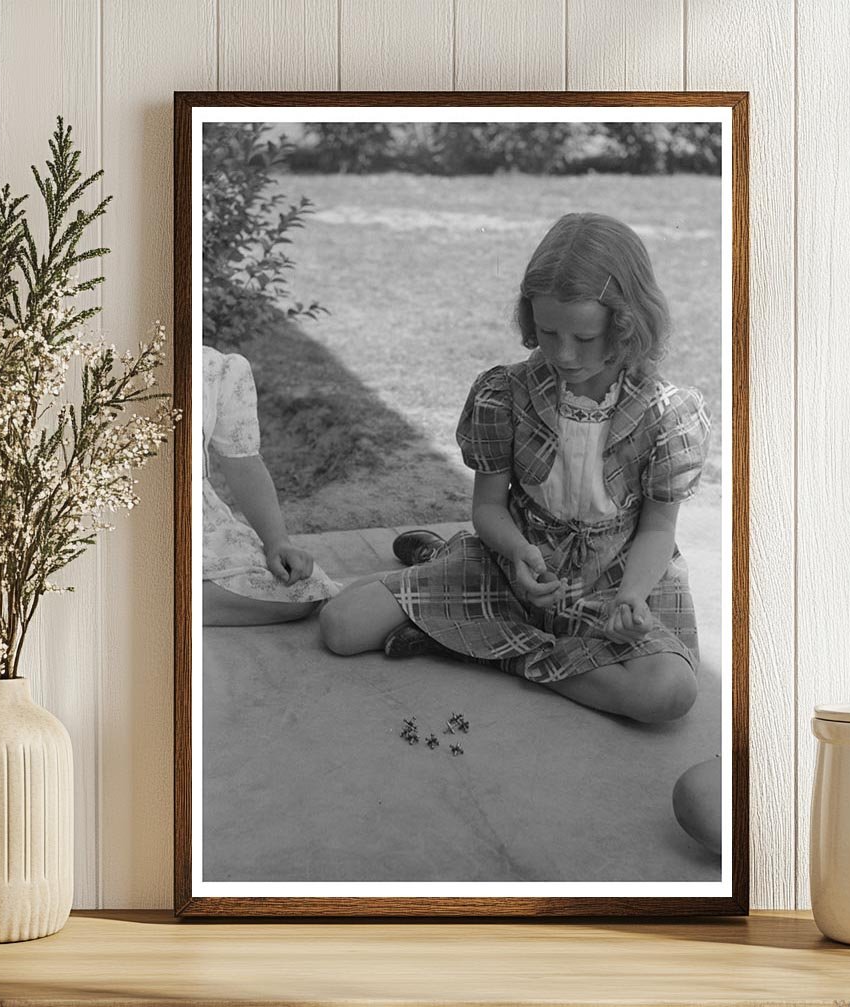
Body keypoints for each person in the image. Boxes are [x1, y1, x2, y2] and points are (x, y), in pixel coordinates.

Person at [319, 212, 710, 723]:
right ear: (530, 318)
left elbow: (659, 529)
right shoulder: (504, 393)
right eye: (548, 332)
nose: (564, 354)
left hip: (618, 580)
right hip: (512, 568)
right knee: (341, 625)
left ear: (627, 323)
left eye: (585, 338)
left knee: (668, 695)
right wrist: (519, 551)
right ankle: (463, 598)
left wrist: (631, 599)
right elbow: (487, 507)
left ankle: (476, 646)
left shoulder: (668, 413)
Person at [203, 345, 340, 625]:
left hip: (194, 521)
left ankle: (155, 602)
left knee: (304, 590)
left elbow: (244, 464)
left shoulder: (216, 368)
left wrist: (277, 542)